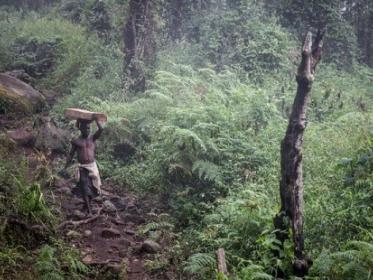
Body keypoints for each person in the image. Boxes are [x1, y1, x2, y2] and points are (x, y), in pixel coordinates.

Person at [65, 117, 103, 215]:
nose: (87, 130)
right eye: (85, 128)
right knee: (84, 186)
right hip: (82, 167)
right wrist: (65, 166)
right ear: (80, 129)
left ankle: (86, 205)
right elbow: (71, 154)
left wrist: (96, 120)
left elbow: (101, 129)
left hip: (92, 166)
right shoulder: (77, 141)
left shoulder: (92, 138)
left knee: (93, 187)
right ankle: (90, 211)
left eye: (88, 128)